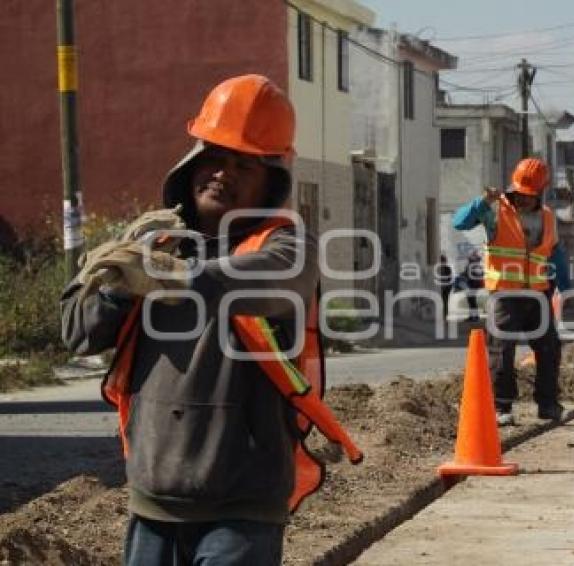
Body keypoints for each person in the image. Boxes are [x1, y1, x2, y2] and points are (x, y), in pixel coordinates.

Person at [60, 74, 361, 565]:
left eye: (244, 164)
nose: (223, 173)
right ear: (192, 162)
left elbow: (258, 282)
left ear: (271, 181)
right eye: (215, 157)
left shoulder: (286, 247)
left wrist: (166, 276)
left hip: (241, 507)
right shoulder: (153, 243)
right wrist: (118, 284)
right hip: (153, 498)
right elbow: (76, 331)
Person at [452, 157, 571, 426]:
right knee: (501, 349)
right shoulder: (495, 210)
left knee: (549, 349)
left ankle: (548, 405)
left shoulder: (549, 217)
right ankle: (501, 407)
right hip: (504, 293)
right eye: (520, 193)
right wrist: (482, 202)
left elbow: (555, 253)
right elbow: (460, 223)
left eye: (529, 195)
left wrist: (566, 287)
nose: (523, 199)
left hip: (538, 293)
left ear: (540, 192)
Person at [462, 249, 484, 321]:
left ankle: (475, 317)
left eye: (471, 255)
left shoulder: (475, 264)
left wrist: (466, 275)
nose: (469, 257)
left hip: (473, 284)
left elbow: (477, 274)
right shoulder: (473, 263)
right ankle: (473, 316)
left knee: (472, 300)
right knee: (471, 300)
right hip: (471, 284)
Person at [436, 253, 454, 320]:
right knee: (443, 301)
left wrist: (445, 286)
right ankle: (443, 314)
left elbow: (449, 278)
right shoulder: (440, 268)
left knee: (444, 300)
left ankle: (444, 315)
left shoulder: (446, 268)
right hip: (443, 286)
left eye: (442, 260)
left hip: (446, 287)